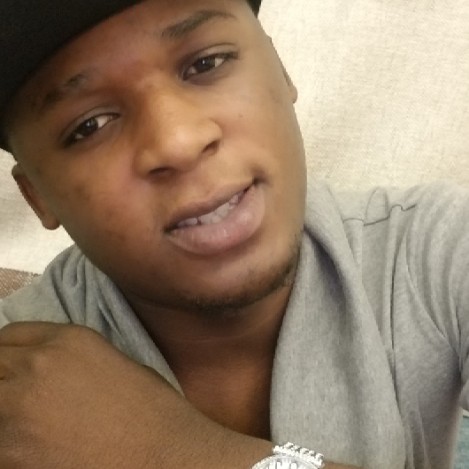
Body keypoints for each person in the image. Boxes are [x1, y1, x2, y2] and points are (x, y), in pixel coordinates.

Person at [0, 0, 467, 468]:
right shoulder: (16, 380)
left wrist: (166, 451)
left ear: (281, 71)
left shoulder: (435, 250)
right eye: (90, 126)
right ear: (38, 196)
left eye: (207, 64)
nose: (179, 142)